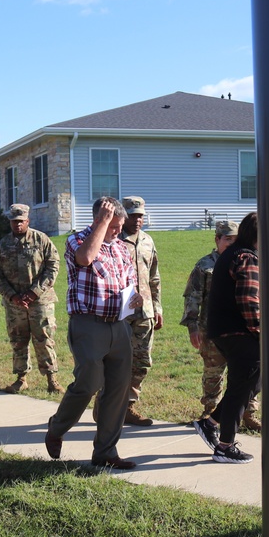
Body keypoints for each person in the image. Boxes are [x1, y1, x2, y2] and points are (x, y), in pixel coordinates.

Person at [44, 196, 144, 470]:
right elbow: (86, 258)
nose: (117, 231)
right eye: (113, 226)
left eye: (119, 226)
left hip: (119, 325)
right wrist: (101, 223)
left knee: (118, 390)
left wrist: (136, 298)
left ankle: (105, 452)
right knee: (88, 383)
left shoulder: (122, 248)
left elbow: (130, 283)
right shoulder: (77, 240)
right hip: (88, 324)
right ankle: (57, 428)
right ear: (99, 220)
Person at [191, 212, 261, 464]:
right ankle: (225, 446)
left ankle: (209, 423)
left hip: (224, 332)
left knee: (253, 382)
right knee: (239, 389)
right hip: (239, 333)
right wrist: (261, 332)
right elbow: (249, 301)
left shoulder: (231, 254)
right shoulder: (247, 257)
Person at [0, 203, 64, 394]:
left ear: (27, 221)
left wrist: (35, 292)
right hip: (15, 304)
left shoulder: (42, 240)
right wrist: (12, 296)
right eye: (14, 222)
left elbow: (53, 266)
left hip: (40, 302)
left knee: (44, 338)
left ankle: (52, 379)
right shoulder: (2, 246)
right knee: (18, 340)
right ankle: (21, 379)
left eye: (21, 221)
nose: (17, 225)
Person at [117, 196, 162, 426]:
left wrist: (157, 307)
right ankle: (108, 404)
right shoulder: (113, 240)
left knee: (142, 361)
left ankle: (129, 406)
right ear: (124, 215)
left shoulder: (147, 241)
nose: (137, 220)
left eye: (140, 216)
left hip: (145, 311)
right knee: (116, 361)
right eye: (133, 215)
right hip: (120, 312)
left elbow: (154, 277)